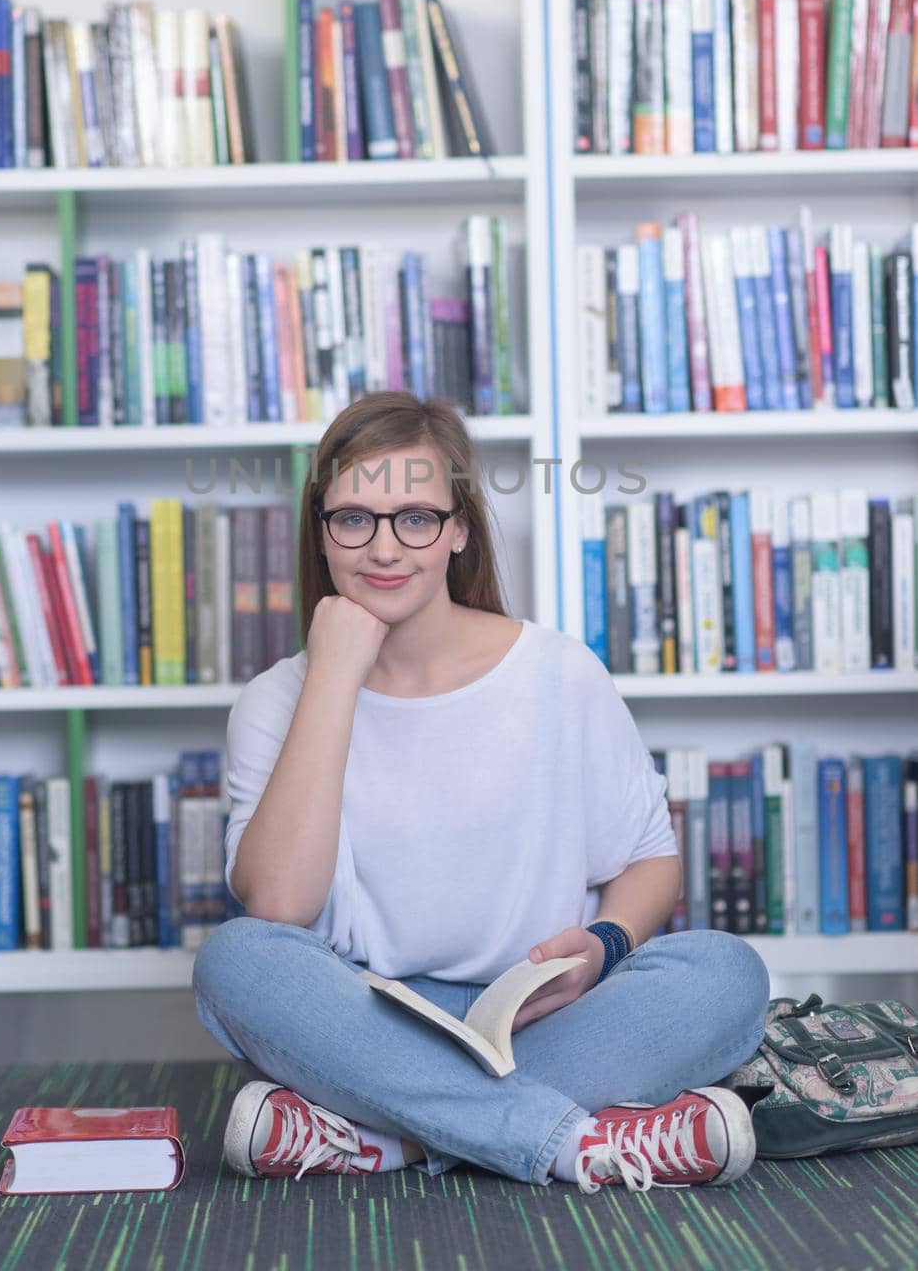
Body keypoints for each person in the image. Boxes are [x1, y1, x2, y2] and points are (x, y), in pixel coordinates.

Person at [192, 391, 770, 1194]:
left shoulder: (559, 672)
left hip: (539, 1011)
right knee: (237, 960)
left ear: (459, 529)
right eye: (353, 518)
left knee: (727, 973)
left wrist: (602, 946)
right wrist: (333, 673)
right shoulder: (277, 698)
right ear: (320, 530)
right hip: (363, 1020)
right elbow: (279, 905)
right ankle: (565, 1138)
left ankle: (381, 1136)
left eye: (416, 518)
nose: (383, 549)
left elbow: (648, 863)